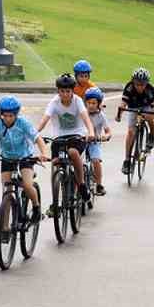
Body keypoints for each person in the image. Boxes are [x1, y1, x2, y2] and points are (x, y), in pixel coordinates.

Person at [0, 95, 48, 219]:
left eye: (11, 116)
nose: (7, 119)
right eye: (4, 115)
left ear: (16, 114)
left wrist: (43, 153)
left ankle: (36, 207)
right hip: (7, 159)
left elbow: (38, 138)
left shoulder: (23, 124)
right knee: (6, 192)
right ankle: (5, 228)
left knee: (27, 185)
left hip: (24, 158)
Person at [38, 73, 95, 210]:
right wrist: (35, 133)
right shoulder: (54, 102)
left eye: (68, 91)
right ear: (58, 91)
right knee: (55, 163)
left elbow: (86, 118)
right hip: (59, 137)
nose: (65, 94)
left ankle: (81, 184)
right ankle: (55, 200)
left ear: (72, 91)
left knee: (73, 152)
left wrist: (91, 132)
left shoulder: (77, 101)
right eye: (62, 91)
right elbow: (45, 119)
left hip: (77, 134)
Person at [118, 68, 154, 174]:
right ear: (133, 82)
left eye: (142, 84)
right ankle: (127, 160)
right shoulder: (129, 87)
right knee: (131, 132)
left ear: (147, 83)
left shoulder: (150, 90)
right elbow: (123, 104)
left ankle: (152, 135)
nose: (140, 87)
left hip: (146, 108)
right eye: (137, 84)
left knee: (150, 117)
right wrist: (119, 115)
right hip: (133, 108)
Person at [83, 87, 113, 195]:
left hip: (94, 142)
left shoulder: (101, 116)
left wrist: (106, 136)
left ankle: (99, 185)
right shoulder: (82, 113)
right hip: (81, 141)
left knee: (95, 160)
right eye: (89, 103)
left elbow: (108, 131)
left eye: (94, 103)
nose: (91, 105)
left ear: (99, 104)